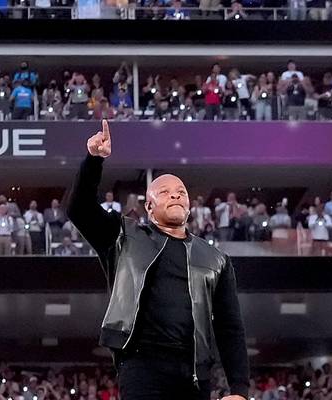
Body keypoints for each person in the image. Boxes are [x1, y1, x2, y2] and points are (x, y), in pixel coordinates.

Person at [67, 120, 249, 400]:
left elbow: (229, 326)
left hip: (195, 374)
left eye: (181, 192)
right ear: (149, 207)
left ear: (189, 207)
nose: (175, 194)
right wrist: (93, 161)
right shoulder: (124, 236)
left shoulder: (216, 259)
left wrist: (239, 389)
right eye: (164, 192)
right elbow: (79, 209)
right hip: (142, 367)